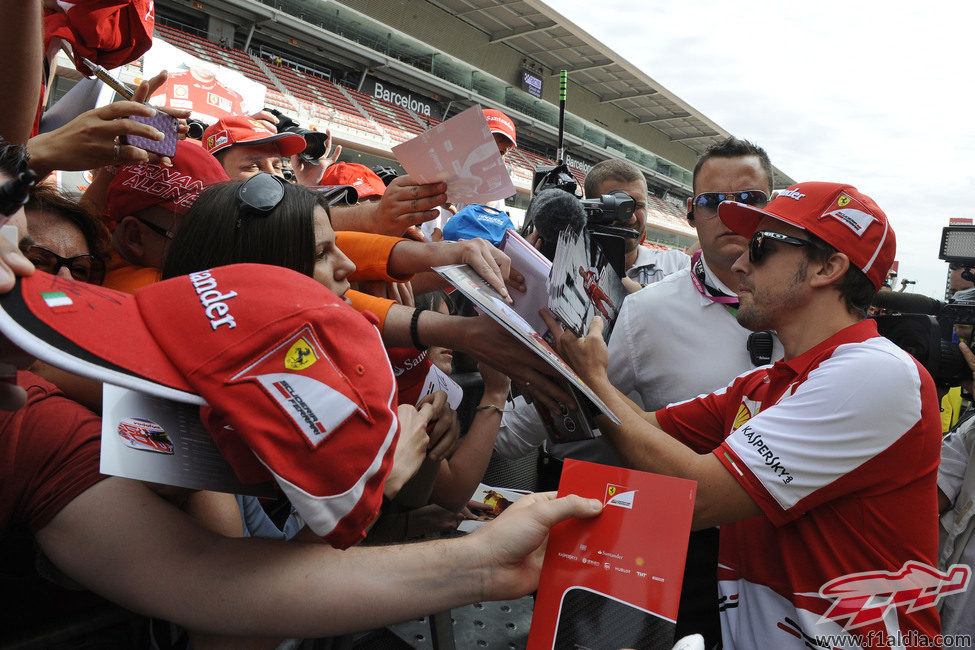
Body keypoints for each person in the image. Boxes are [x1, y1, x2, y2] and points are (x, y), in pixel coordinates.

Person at [549, 181, 943, 647]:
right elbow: (640, 428)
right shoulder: (768, 381)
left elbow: (699, 497)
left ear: (828, 267)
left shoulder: (875, 373)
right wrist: (556, 358)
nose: (737, 263)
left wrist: (592, 381)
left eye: (759, 248)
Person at [495, 139, 784, 646]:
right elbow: (579, 396)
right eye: (714, 202)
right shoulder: (646, 313)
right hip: (682, 552)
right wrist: (483, 428)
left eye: (751, 199)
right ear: (692, 215)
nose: (732, 213)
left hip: (783, 555)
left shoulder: (808, 307)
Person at [582, 158, 689, 292]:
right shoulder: (571, 263)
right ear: (591, 207)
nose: (631, 218)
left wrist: (632, 288)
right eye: (619, 205)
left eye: (638, 206)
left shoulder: (677, 265)